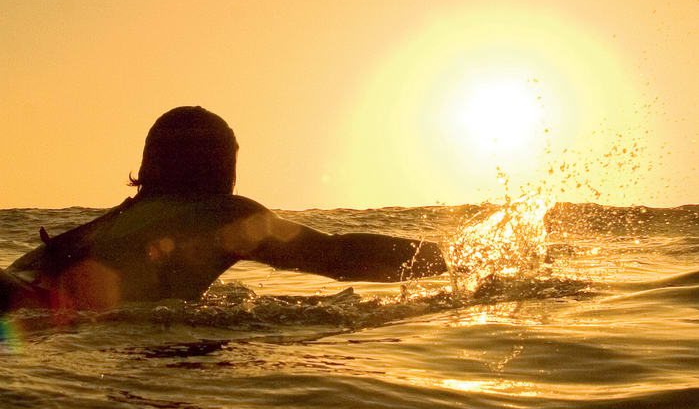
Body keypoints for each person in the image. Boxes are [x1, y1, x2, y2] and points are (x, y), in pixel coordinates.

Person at [1, 106, 448, 313]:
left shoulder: (106, 225)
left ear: (146, 166)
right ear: (226, 170)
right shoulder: (223, 215)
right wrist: (461, 257)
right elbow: (337, 256)